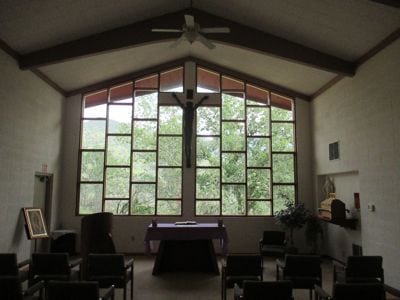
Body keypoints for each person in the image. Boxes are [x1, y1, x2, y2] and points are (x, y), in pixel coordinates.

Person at [172, 92, 209, 168]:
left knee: (188, 144)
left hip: (188, 128)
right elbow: (198, 103)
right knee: (187, 144)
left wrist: (175, 96)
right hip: (188, 128)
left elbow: (180, 102)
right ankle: (188, 159)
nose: (189, 106)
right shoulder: (189, 109)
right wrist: (204, 98)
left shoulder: (188, 109)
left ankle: (188, 159)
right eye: (190, 105)